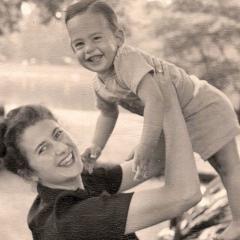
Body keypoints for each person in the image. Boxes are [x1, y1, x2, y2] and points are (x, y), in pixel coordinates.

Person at [64, 1, 240, 239]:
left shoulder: (127, 59)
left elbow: (156, 101)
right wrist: (97, 145)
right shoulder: (100, 83)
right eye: (79, 43)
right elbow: (108, 114)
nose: (89, 49)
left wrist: (145, 147)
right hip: (176, 118)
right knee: (181, 166)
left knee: (228, 167)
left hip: (203, 106)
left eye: (97, 38)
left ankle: (239, 223)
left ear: (118, 37)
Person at [0, 104, 201, 240]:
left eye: (57, 134)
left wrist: (153, 102)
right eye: (43, 149)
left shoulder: (81, 181)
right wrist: (172, 110)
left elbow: (151, 163)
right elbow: (184, 195)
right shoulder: (70, 219)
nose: (61, 148)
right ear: (29, 174)